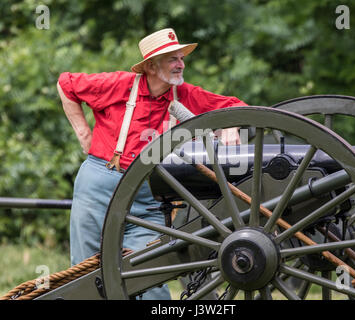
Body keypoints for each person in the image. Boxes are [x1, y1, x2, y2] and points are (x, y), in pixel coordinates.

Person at [57, 28, 247, 299]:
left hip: (151, 199)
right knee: (86, 274)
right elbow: (66, 84)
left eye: (181, 58)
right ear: (150, 65)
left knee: (149, 278)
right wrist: (84, 134)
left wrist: (232, 124)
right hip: (100, 187)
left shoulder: (186, 95)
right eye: (172, 58)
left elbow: (236, 106)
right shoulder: (117, 84)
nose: (180, 64)